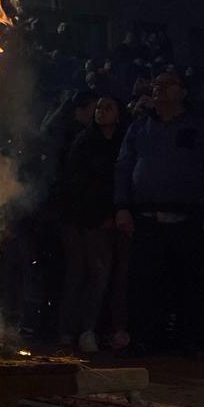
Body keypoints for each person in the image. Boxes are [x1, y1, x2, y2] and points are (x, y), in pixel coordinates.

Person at [113, 68, 204, 352]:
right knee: (145, 281)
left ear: (182, 92)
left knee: (190, 282)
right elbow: (124, 166)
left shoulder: (199, 127)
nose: (158, 89)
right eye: (155, 84)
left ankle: (192, 340)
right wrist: (122, 206)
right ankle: (146, 338)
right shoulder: (139, 126)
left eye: (167, 84)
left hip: (188, 216)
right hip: (147, 216)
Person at [56, 95, 130, 353]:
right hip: (85, 218)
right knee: (87, 273)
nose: (101, 111)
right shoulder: (85, 142)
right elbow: (79, 185)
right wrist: (98, 216)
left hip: (112, 216)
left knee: (107, 274)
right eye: (98, 107)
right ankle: (76, 330)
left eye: (108, 107)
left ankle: (96, 329)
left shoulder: (123, 142)